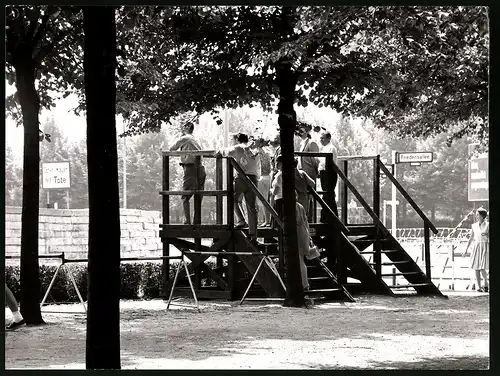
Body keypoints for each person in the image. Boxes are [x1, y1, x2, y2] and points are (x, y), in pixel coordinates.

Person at [220, 133, 260, 244]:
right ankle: (253, 236)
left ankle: (241, 220)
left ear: (237, 140)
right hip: (254, 179)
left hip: (242, 178)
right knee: (252, 207)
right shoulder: (254, 149)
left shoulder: (238, 148)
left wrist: (217, 152)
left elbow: (225, 152)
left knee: (232, 198)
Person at [170, 121, 206, 225]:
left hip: (190, 168)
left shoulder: (184, 138)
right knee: (198, 195)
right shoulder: (197, 139)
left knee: (185, 196)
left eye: (184, 127)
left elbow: (172, 149)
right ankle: (196, 221)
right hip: (201, 168)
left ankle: (188, 221)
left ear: (187, 127)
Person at [463, 208, 489, 292]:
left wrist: (486, 235)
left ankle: (486, 282)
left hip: (484, 245)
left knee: (482, 268)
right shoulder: (474, 225)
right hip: (476, 246)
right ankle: (479, 286)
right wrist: (466, 250)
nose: (476, 216)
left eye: (478, 215)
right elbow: (471, 238)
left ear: (482, 216)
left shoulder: (488, 225)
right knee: (476, 268)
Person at [297, 125, 319, 221]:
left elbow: (316, 160)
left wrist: (315, 171)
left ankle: (310, 218)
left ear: (307, 132)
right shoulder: (302, 144)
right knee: (304, 196)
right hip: (303, 174)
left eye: (302, 131)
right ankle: (305, 217)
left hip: (309, 173)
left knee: (311, 196)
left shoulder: (312, 143)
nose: (300, 133)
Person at [318, 131, 339, 221]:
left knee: (328, 195)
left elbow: (331, 163)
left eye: (323, 138)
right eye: (320, 138)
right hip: (323, 172)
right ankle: (330, 218)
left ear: (328, 138)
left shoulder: (331, 148)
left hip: (329, 173)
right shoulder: (323, 148)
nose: (321, 140)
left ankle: (328, 218)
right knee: (327, 195)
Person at [296, 196, 311, 291]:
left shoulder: (292, 207)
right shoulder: (300, 206)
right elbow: (306, 222)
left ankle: (304, 284)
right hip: (304, 231)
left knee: (299, 259)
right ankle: (304, 283)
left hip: (298, 232)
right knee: (301, 259)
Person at [257, 139, 272, 227]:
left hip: (262, 177)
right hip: (267, 177)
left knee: (263, 200)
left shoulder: (260, 153)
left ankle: (266, 220)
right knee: (265, 200)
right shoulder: (267, 153)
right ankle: (266, 220)